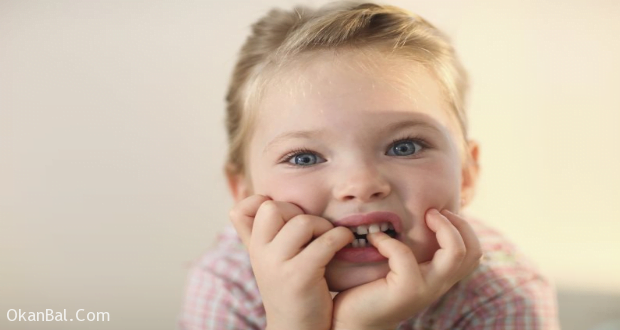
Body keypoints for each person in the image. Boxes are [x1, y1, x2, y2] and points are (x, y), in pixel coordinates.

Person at [178, 2, 560, 329]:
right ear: (244, 193)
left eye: (405, 146)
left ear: (466, 174)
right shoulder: (228, 282)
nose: (360, 184)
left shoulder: (503, 295)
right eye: (305, 157)